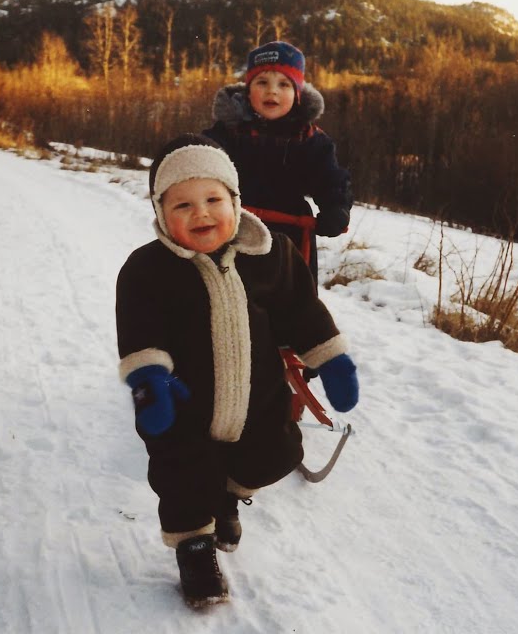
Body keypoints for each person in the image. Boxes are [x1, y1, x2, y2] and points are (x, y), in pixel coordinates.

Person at [115, 133, 360, 608]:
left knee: (275, 453)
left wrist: (330, 358)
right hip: (186, 401)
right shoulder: (147, 270)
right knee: (184, 477)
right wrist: (149, 382)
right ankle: (195, 549)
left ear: (235, 200)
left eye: (213, 200)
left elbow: (301, 312)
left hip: (258, 397)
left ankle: (227, 496)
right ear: (161, 212)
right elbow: (140, 332)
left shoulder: (272, 255)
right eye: (182, 205)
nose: (201, 214)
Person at [202, 41, 353, 285]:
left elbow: (330, 178)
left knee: (290, 297)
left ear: (297, 94)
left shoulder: (310, 140)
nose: (272, 91)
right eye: (262, 82)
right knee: (228, 290)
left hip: (289, 239)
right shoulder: (228, 133)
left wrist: (336, 207)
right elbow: (202, 159)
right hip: (233, 231)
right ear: (248, 90)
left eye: (284, 84)